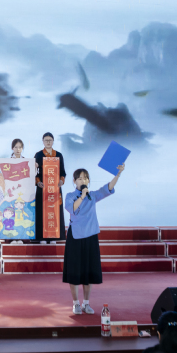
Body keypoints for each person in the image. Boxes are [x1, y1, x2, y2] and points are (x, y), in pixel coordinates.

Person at [63, 165, 124, 314]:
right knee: (74, 271)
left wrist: (118, 174)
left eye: (85, 178)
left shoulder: (93, 196)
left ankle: (86, 303)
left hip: (90, 236)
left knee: (88, 270)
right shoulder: (70, 196)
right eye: (79, 178)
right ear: (74, 181)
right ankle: (76, 303)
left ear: (89, 181)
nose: (83, 181)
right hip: (75, 236)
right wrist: (82, 196)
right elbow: (72, 209)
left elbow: (108, 188)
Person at [33, 133, 66, 243]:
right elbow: (34, 173)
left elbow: (63, 172)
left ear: (53, 141)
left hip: (54, 188)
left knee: (54, 211)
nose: (48, 142)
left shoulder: (59, 155)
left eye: (50, 140)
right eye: (46, 140)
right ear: (43, 141)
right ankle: (42, 237)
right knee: (42, 211)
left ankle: (53, 237)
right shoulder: (38, 155)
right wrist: (38, 182)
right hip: (42, 188)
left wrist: (61, 181)